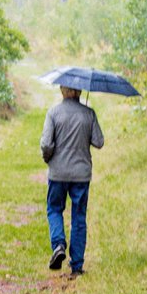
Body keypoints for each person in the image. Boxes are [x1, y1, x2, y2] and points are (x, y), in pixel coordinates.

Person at [39, 85, 104, 277]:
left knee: (54, 209)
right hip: (81, 175)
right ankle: (76, 265)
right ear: (80, 92)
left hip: (58, 173)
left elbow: (46, 144)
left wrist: (49, 158)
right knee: (79, 217)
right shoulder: (88, 114)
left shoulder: (53, 113)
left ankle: (58, 245)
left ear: (62, 90)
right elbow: (99, 141)